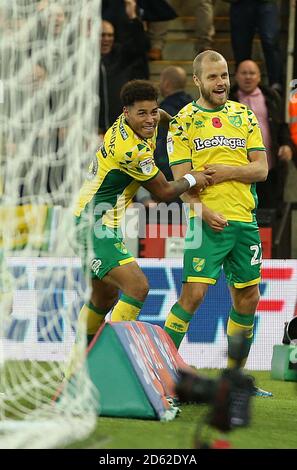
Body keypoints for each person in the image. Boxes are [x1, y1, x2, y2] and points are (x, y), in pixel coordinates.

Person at [69, 79, 213, 369]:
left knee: (104, 295)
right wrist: (194, 177)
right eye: (142, 114)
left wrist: (176, 124)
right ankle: (114, 366)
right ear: (126, 112)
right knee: (138, 287)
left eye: (153, 111)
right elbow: (163, 192)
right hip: (93, 225)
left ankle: (75, 370)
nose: (149, 119)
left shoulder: (145, 119)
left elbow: (162, 117)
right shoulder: (131, 149)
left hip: (93, 220)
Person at [163, 50, 272, 397]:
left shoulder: (244, 115)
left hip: (244, 221)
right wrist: (202, 212)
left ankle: (233, 381)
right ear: (197, 81)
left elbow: (261, 169)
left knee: (248, 297)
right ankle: (161, 373)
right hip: (206, 222)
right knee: (192, 296)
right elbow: (180, 183)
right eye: (213, 77)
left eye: (224, 75)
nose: (221, 82)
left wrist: (227, 172)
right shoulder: (182, 122)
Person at [229, 60, 294, 210]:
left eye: (252, 73)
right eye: (244, 73)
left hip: (269, 171)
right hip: (239, 173)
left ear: (259, 77)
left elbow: (281, 126)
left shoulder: (271, 97)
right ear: (237, 77)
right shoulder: (228, 101)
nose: (248, 77)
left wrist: (286, 145)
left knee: (269, 214)